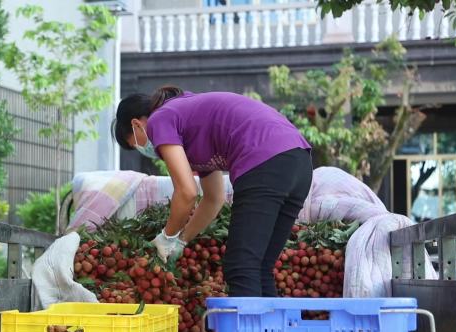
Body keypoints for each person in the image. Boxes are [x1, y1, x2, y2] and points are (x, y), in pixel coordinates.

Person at [111, 86, 312, 297]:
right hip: (298, 161)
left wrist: (167, 236)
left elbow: (186, 192)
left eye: (137, 144)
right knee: (259, 267)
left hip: (266, 160)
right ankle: (271, 331)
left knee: (241, 267)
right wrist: (181, 240)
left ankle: (247, 331)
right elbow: (213, 199)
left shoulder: (160, 119)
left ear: (137, 124)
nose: (146, 149)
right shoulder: (189, 123)